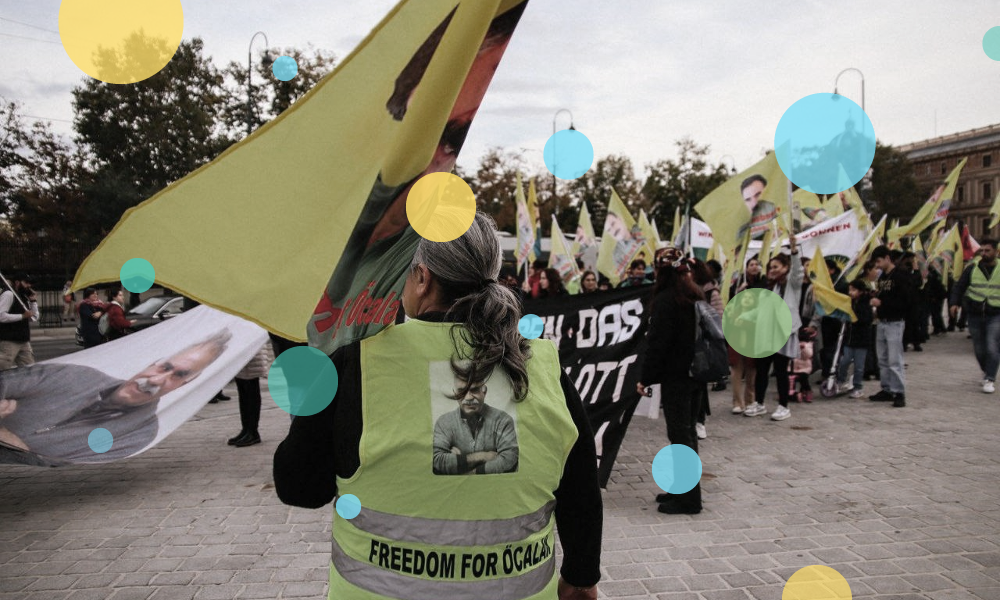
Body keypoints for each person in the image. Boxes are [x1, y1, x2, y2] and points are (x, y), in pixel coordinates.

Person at [274, 212, 602, 600]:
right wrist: (581, 577)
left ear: (422, 277)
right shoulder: (543, 363)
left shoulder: (355, 363)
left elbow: (300, 488)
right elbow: (580, 485)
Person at [0, 331, 231, 464]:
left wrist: (7, 433)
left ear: (186, 383)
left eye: (178, 375)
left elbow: (58, 460)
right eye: (165, 367)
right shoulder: (70, 375)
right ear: (154, 362)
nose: (156, 380)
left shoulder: (139, 434)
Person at [636, 245, 704, 514]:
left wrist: (646, 378)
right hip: (695, 375)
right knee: (687, 434)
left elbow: (658, 345)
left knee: (680, 436)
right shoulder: (693, 295)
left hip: (678, 377)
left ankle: (689, 500)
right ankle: (681, 488)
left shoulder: (666, 300)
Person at [746, 233, 802, 421]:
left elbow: (798, 272)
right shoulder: (771, 285)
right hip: (767, 332)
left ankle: (783, 406)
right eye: (770, 267)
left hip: (783, 332)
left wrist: (794, 251)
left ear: (786, 268)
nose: (772, 270)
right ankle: (759, 403)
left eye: (776, 267)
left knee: (780, 371)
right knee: (762, 369)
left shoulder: (793, 284)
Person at [432, 371, 518, 474]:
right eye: (462, 391)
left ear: (484, 391)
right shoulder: (443, 423)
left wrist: (463, 466)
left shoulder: (503, 420)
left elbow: (509, 460)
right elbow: (436, 461)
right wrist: (481, 456)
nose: (468, 397)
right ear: (455, 394)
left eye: (474, 390)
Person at [949, 238, 1000, 393]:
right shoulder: (972, 268)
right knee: (979, 349)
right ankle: (987, 371)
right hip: (975, 314)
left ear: (996, 252)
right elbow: (959, 287)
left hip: (996, 314)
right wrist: (954, 303)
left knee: (992, 345)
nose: (983, 253)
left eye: (987, 250)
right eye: (982, 250)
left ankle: (990, 378)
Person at [869, 245, 912, 408]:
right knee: (883, 358)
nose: (878, 265)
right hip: (882, 321)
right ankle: (886, 389)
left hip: (895, 321)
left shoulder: (901, 276)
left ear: (888, 258)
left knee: (895, 359)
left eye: (879, 261)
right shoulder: (882, 278)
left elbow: (905, 301)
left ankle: (899, 392)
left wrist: (883, 302)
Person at [227, 344, 274, 447]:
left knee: (251, 391)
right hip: (241, 351)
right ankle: (246, 429)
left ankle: (252, 431)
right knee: (243, 392)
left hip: (252, 353)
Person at [836, 279, 874, 398]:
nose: (851, 292)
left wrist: (854, 318)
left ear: (861, 291)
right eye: (850, 290)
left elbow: (867, 319)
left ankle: (858, 387)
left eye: (854, 290)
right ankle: (841, 381)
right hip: (849, 339)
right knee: (844, 361)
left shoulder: (866, 303)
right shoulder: (849, 302)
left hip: (862, 339)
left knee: (859, 366)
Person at [0, 275, 39, 371]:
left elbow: (34, 317)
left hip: (23, 340)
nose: (29, 286)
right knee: (3, 368)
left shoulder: (23, 296)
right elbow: (1, 316)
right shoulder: (9, 294)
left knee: (29, 369)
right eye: (26, 283)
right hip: (9, 340)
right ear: (17, 282)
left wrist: (33, 301)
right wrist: (22, 316)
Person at [790, 327, 815, 403]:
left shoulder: (809, 345)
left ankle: (808, 391)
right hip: (793, 367)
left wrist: (803, 349)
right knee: (789, 378)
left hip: (804, 368)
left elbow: (808, 355)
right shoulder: (794, 344)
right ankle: (791, 392)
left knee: (803, 379)